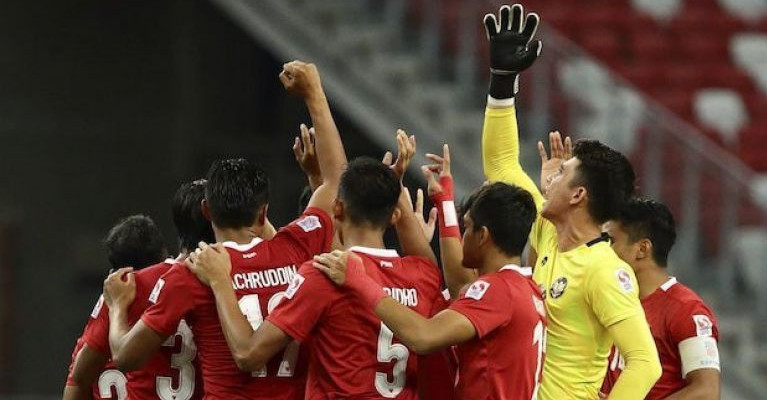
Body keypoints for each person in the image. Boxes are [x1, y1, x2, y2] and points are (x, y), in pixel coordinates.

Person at [102, 61, 346, 400]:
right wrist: (315, 94)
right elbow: (337, 181)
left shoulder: (192, 274)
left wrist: (117, 308)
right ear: (264, 212)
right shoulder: (296, 247)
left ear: (206, 209)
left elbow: (126, 357)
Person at [479, 4, 661, 399]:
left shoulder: (604, 271)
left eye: (562, 175)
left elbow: (646, 362)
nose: (549, 179)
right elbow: (501, 163)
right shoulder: (547, 229)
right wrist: (502, 81)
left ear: (579, 195)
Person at [185, 152, 444, 400]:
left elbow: (249, 353)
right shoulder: (424, 275)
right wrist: (394, 188)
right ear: (394, 216)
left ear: (338, 209)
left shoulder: (324, 275)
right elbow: (425, 259)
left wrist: (221, 281)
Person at [313, 144, 547, 400]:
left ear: (483, 237)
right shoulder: (525, 288)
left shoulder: (497, 290)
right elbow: (457, 284)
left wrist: (361, 282)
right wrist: (440, 200)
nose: (463, 237)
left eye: (466, 228)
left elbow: (423, 336)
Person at [64, 212, 196, 400]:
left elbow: (78, 377)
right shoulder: (190, 286)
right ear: (164, 254)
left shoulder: (114, 298)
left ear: (114, 272)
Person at [602, 198, 721, 400]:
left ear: (642, 249)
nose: (602, 250)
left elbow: (706, 392)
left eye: (610, 241)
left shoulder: (686, 309)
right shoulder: (608, 298)